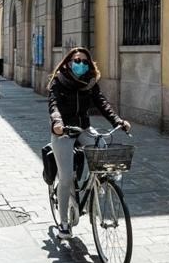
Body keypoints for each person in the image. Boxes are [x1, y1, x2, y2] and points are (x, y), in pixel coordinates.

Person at [48, 47, 131, 239]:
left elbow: (102, 104)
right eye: (77, 60)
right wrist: (57, 123)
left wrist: (118, 121)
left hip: (84, 129)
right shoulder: (59, 82)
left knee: (102, 145)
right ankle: (64, 224)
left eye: (85, 62)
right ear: (69, 62)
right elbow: (54, 105)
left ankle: (100, 183)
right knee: (66, 177)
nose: (81, 64)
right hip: (64, 132)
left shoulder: (90, 83)